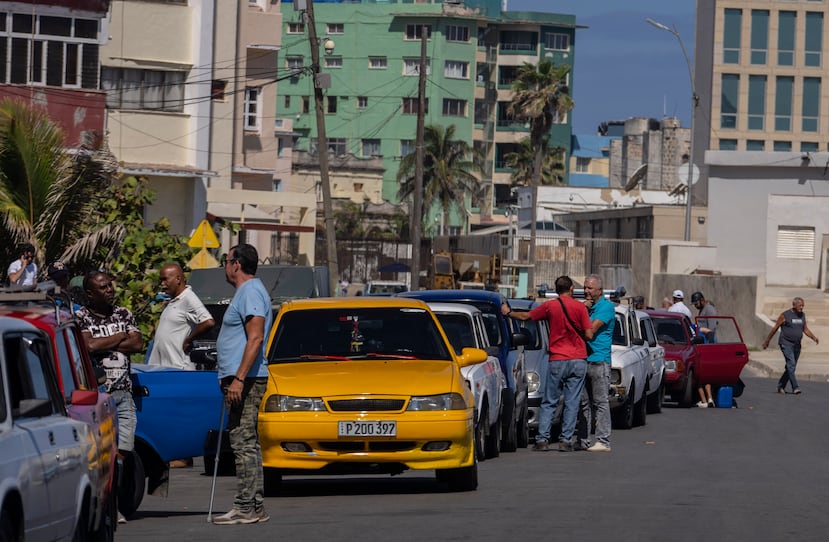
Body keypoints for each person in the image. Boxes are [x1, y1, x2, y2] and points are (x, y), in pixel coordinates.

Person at [75, 271, 143, 522]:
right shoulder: (81, 317)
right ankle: (107, 507)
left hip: (123, 393)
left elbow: (137, 343)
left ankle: (113, 501)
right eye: (103, 288)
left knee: (123, 449)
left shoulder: (123, 313)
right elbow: (88, 346)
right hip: (98, 395)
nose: (110, 290)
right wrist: (119, 337)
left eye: (110, 286)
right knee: (101, 454)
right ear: (90, 294)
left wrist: (104, 341)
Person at [213, 244, 272, 525]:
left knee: (243, 442)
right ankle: (254, 505)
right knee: (247, 442)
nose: (225, 266)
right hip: (242, 377)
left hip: (246, 379)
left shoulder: (250, 292)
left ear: (236, 264)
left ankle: (246, 506)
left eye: (226, 261)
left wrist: (238, 378)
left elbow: (256, 337)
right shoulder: (247, 292)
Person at [504, 275, 594, 452]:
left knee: (549, 400)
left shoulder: (550, 306)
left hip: (557, 359)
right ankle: (565, 440)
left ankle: (542, 439)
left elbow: (525, 316)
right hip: (577, 359)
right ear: (571, 289)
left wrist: (507, 312)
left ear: (556, 289)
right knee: (572, 401)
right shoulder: (579, 307)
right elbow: (589, 334)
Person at [147, 263, 215, 370]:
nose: (162, 284)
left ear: (178, 279)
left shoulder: (188, 298)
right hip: (162, 368)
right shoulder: (174, 300)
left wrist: (189, 339)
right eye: (161, 280)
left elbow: (208, 322)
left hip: (178, 368)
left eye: (165, 279)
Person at [576, 274, 616, 452]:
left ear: (599, 290)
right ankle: (583, 439)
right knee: (583, 403)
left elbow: (590, 330)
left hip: (599, 360)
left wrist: (582, 312)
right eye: (585, 288)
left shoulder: (605, 307)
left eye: (590, 288)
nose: (586, 291)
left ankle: (603, 440)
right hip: (584, 359)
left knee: (600, 402)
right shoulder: (587, 308)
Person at [762, 297, 819, 395]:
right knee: (791, 364)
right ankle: (795, 387)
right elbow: (775, 328)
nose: (802, 307)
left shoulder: (802, 315)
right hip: (786, 343)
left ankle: (781, 386)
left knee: (791, 367)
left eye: (803, 305)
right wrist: (767, 341)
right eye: (800, 305)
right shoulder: (785, 315)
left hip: (797, 345)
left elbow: (805, 329)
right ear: (794, 305)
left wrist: (813, 337)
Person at [690, 291, 718, 408]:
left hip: (707, 345)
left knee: (701, 373)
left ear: (701, 300)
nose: (695, 305)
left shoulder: (709, 309)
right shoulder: (702, 310)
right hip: (701, 344)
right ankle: (707, 399)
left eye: (696, 303)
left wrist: (701, 332)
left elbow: (711, 329)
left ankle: (706, 400)